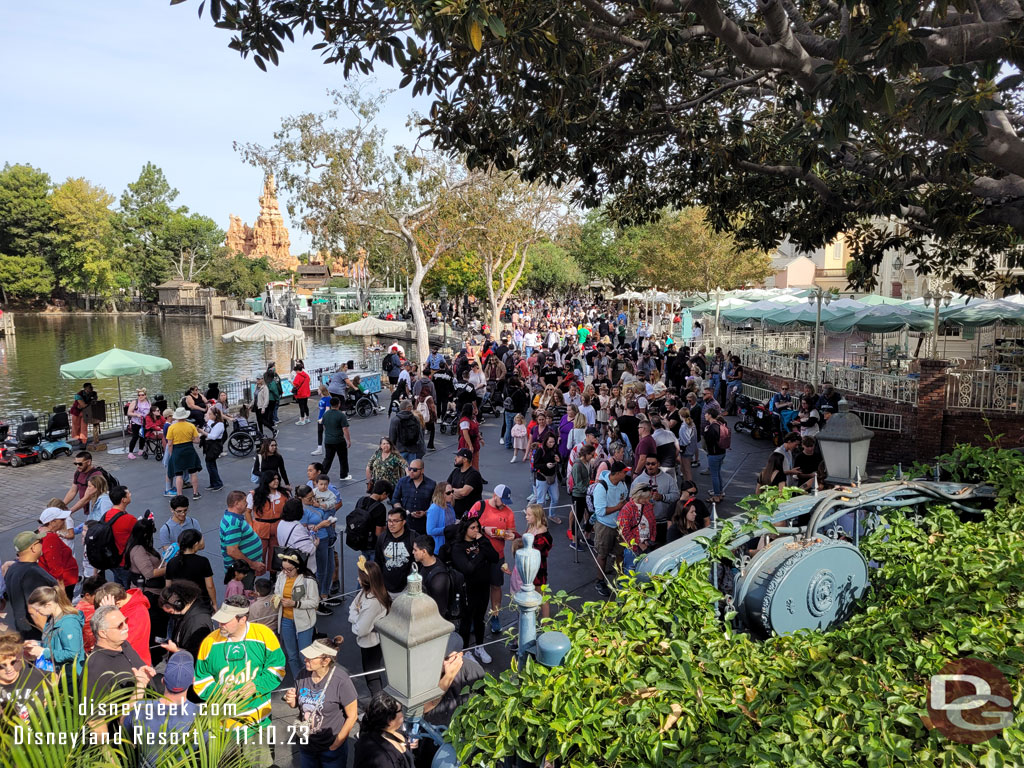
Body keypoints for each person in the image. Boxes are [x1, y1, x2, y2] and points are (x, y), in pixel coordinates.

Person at [195, 596, 285, 765]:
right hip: (222, 727)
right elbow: (201, 680)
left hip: (257, 725)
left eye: (225, 621)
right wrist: (217, 691)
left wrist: (256, 686)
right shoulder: (209, 642)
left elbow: (277, 669)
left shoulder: (264, 635)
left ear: (242, 619)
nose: (220, 625)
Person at [283, 637, 359, 768]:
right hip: (306, 745)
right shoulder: (302, 674)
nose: (305, 659)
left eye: (311, 658)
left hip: (331, 748)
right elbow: (297, 705)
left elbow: (352, 716)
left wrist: (337, 743)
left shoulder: (341, 680)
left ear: (326, 661)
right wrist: (291, 700)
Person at [123, 650, 198, 768]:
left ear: (163, 680)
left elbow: (123, 725)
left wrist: (140, 685)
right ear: (192, 681)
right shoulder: (200, 716)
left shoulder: (140, 710)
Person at [83, 605, 154, 701]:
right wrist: (140, 686)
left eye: (126, 621)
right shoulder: (96, 666)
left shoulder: (124, 644)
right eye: (120, 625)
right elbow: (95, 713)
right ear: (103, 633)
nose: (126, 627)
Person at [123, 517, 169, 663]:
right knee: (155, 627)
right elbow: (149, 573)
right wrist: (168, 568)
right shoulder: (138, 550)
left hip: (154, 593)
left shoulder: (141, 547)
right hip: (149, 595)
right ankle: (155, 657)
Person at [449, 517, 497, 656]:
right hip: (467, 588)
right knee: (467, 619)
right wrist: (481, 553)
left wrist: (483, 542)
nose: (476, 530)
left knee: (480, 618)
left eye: (478, 527)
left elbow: (494, 557)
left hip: (483, 585)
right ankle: (465, 651)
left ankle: (480, 646)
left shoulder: (481, 541)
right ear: (465, 529)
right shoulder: (458, 547)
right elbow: (468, 568)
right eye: (473, 528)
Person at [477, 485, 519, 634]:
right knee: (478, 587)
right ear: (495, 495)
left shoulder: (508, 513)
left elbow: (512, 532)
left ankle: (495, 615)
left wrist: (508, 535)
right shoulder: (480, 505)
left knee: (496, 586)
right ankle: (477, 616)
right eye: (503, 500)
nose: (505, 503)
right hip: (479, 554)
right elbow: (467, 525)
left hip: (497, 555)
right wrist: (484, 529)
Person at [275, 552, 321, 680]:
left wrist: (295, 603)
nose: (285, 572)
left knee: (304, 655)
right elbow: (277, 591)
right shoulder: (282, 576)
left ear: (298, 567)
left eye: (289, 569)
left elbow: (314, 602)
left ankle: (309, 680)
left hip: (304, 622)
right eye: (283, 569)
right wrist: (278, 598)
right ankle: (299, 682)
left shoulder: (308, 580)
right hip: (285, 620)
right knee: (292, 655)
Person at [348, 557, 390, 696]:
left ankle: (379, 707)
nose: (357, 579)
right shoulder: (366, 592)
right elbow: (352, 608)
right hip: (368, 641)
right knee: (371, 675)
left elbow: (361, 630)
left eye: (360, 577)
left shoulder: (372, 602)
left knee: (372, 678)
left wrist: (354, 619)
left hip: (372, 643)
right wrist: (357, 618)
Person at [6, 531, 58, 640]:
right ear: (33, 547)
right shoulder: (33, 574)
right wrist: (49, 637)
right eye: (40, 542)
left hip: (23, 630)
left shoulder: (12, 568)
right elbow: (35, 610)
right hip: (37, 634)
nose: (42, 544)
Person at [24, 585, 85, 677]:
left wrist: (43, 652)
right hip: (56, 673)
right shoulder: (51, 619)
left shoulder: (69, 623)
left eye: (38, 610)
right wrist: (36, 644)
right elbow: (54, 644)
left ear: (48, 605)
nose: (37, 613)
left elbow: (73, 653)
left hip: (69, 677)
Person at [591, 461, 629, 598]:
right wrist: (618, 507)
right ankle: (600, 580)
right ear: (617, 473)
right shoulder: (601, 488)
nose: (626, 474)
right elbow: (600, 511)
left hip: (619, 525)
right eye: (624, 472)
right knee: (602, 554)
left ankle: (620, 578)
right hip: (604, 526)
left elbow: (624, 499)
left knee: (620, 553)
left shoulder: (622, 484)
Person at [93, 581, 153, 665]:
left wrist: (110, 613)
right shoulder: (125, 602)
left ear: (117, 603)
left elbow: (120, 641)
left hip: (134, 664)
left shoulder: (137, 613)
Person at [219, 490, 268, 590]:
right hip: (241, 570)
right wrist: (252, 564)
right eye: (245, 501)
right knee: (243, 595)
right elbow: (232, 551)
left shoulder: (234, 518)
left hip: (244, 568)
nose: (247, 504)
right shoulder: (233, 523)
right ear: (237, 503)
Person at [353, 691, 415, 767]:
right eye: (401, 710)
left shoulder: (393, 732)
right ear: (389, 720)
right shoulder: (382, 759)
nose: (403, 713)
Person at [157, 582, 215, 659]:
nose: (172, 616)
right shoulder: (189, 612)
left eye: (171, 612)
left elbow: (197, 655)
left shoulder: (198, 623)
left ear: (179, 605)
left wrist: (176, 650)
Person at [248, 470, 290, 573]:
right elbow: (247, 511)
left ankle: (273, 577)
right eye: (273, 479)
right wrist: (251, 526)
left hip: (278, 527)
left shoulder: (284, 494)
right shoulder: (254, 494)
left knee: (275, 554)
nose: (276, 481)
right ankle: (255, 577)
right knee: (259, 552)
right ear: (266, 481)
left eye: (277, 479)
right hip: (260, 527)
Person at [165, 529, 218, 608]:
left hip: (180, 604)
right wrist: (214, 603)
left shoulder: (171, 563)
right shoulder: (203, 561)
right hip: (201, 603)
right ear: (196, 544)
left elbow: (168, 586)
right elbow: (210, 586)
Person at [36, 507, 77, 600]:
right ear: (52, 522)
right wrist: (61, 588)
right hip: (64, 582)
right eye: (62, 519)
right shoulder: (51, 538)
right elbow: (54, 565)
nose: (64, 521)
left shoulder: (41, 532)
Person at [0, 631, 45, 716]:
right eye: (2, 666)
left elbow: (55, 678)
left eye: (13, 662)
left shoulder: (35, 676)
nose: (9, 669)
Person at [278, 497, 320, 585]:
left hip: (287, 564)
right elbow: (309, 550)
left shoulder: (281, 523)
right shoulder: (298, 528)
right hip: (302, 571)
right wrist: (315, 544)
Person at [629, 455, 680, 524]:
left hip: (664, 521)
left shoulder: (668, 479)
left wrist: (662, 497)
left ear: (658, 464)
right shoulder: (638, 480)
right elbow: (631, 500)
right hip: (644, 522)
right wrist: (644, 502)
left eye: (653, 464)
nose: (650, 466)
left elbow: (676, 496)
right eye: (648, 464)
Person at [375, 508, 415, 596]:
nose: (391, 524)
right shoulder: (382, 538)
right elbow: (378, 561)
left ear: (404, 522)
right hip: (385, 589)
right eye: (389, 521)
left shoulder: (413, 538)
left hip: (407, 589)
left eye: (395, 521)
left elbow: (418, 563)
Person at [390, 459, 436, 535]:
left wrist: (425, 513)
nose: (411, 471)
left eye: (414, 470)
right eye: (409, 469)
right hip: (405, 523)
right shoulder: (402, 482)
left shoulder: (431, 484)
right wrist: (402, 511)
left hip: (422, 525)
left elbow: (436, 504)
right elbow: (395, 499)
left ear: (422, 471)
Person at [166, 407, 203, 500]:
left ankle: (179, 495)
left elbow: (170, 443)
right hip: (189, 449)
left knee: (178, 474)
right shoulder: (191, 426)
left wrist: (171, 454)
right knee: (193, 472)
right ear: (185, 416)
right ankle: (195, 493)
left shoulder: (172, 427)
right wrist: (190, 440)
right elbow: (197, 440)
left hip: (177, 450)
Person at [523, 504, 552, 619]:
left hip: (539, 568)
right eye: (526, 514)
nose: (526, 517)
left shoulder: (543, 533)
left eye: (529, 515)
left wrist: (520, 543)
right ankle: (534, 617)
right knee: (532, 593)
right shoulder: (531, 527)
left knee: (542, 595)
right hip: (529, 566)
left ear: (537, 516)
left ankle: (545, 624)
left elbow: (536, 550)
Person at [618, 487, 657, 573]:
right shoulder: (627, 509)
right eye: (646, 498)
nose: (648, 500)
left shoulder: (648, 506)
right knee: (630, 572)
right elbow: (625, 531)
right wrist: (639, 543)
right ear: (639, 497)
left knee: (645, 572)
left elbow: (653, 523)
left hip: (647, 545)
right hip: (633, 548)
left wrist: (651, 540)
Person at [412, 535, 452, 614]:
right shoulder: (421, 564)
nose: (413, 552)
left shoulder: (440, 577)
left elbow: (440, 609)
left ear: (424, 552)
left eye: (415, 550)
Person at [62, 451, 106, 516]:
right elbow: (72, 491)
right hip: (87, 509)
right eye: (75, 463)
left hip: (98, 510)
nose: (77, 466)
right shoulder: (78, 473)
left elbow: (87, 498)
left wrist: (68, 512)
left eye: (80, 464)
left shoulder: (96, 476)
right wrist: (61, 505)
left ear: (89, 462)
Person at [532, 433, 561, 524]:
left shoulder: (555, 449)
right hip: (542, 478)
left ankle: (552, 515)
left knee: (555, 498)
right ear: (546, 441)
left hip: (552, 477)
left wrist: (558, 460)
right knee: (541, 501)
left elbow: (560, 460)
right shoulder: (540, 450)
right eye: (550, 442)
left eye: (553, 442)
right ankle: (539, 519)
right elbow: (535, 465)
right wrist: (545, 466)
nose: (552, 444)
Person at [321, 397, 353, 481]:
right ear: (339, 404)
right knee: (343, 458)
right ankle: (344, 475)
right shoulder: (341, 415)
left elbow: (324, 425)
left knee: (328, 459)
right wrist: (348, 440)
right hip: (339, 440)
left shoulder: (326, 414)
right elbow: (345, 428)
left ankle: (321, 475)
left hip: (328, 440)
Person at [447, 449, 483, 519]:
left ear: (465, 459)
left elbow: (464, 492)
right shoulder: (456, 471)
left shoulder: (473, 474)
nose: (455, 458)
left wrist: (451, 491)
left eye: (458, 456)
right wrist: (454, 492)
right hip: (454, 513)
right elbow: (446, 488)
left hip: (469, 516)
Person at [703, 408, 728, 504]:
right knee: (717, 473)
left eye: (706, 414)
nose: (705, 415)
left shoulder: (712, 427)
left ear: (710, 415)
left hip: (714, 454)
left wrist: (706, 432)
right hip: (721, 452)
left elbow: (710, 442)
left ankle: (716, 495)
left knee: (714, 475)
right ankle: (720, 492)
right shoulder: (719, 424)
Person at [199, 408, 227, 492]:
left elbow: (213, 436)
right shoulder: (209, 423)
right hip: (209, 446)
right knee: (211, 464)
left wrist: (203, 432)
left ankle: (218, 483)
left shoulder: (220, 424)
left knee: (210, 464)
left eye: (209, 414)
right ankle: (213, 483)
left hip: (214, 446)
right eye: (208, 414)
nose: (207, 415)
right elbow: (205, 431)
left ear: (215, 415)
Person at [425, 482, 457, 551]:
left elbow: (452, 522)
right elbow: (430, 531)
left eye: (452, 491)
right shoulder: (434, 508)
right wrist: (446, 529)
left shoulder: (449, 505)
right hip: (439, 547)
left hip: (450, 543)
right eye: (448, 493)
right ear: (441, 494)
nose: (451, 494)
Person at [126, 388, 152, 460]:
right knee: (135, 437)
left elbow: (150, 411)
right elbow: (129, 412)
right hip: (136, 422)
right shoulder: (135, 402)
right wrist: (136, 415)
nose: (140, 396)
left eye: (142, 395)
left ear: (145, 395)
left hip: (144, 422)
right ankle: (130, 452)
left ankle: (141, 450)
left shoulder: (148, 402)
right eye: (139, 395)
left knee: (143, 436)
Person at [457, 403, 483, 473]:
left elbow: (476, 430)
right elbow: (465, 434)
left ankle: (476, 474)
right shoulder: (465, 420)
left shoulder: (472, 418)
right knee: (467, 461)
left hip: (474, 441)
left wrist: (480, 438)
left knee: (475, 460)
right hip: (467, 442)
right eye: (473, 409)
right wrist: (470, 445)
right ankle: (468, 476)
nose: (474, 410)